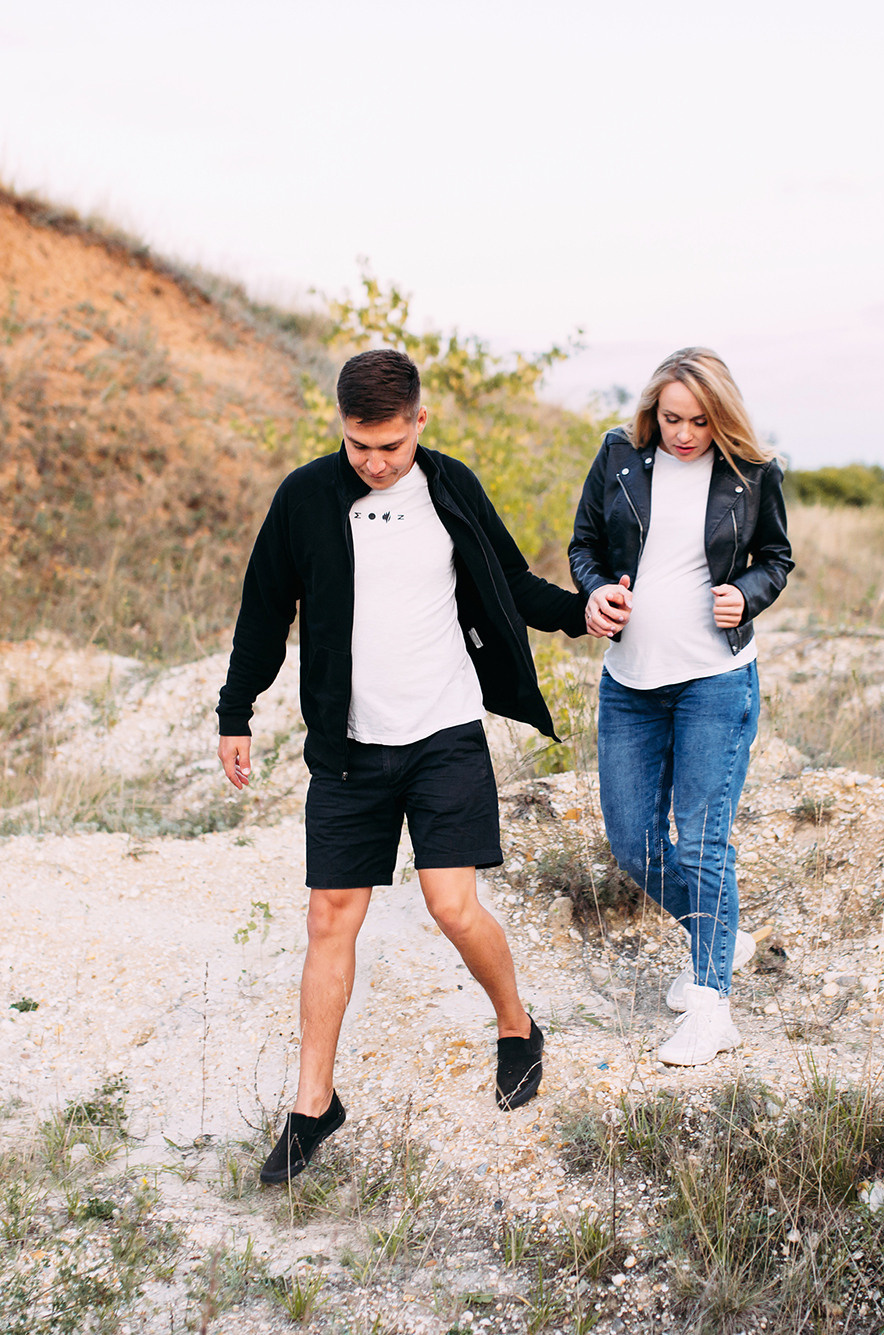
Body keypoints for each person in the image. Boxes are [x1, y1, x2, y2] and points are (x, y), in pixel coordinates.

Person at [217, 348, 589, 1184]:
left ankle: (516, 1025)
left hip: (443, 734)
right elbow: (264, 609)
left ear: (420, 420)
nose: (377, 462)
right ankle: (313, 1105)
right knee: (328, 918)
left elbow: (512, 582)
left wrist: (581, 614)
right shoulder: (306, 498)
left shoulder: (448, 484)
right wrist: (234, 711)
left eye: (391, 444)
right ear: (340, 427)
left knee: (452, 905)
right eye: (359, 445)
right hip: (349, 750)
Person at [567, 348, 793, 1067]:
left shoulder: (753, 472)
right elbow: (585, 547)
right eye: (672, 418)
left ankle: (710, 1005)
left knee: (701, 843)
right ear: (652, 411)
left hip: (714, 680)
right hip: (630, 684)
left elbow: (775, 558)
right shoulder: (619, 455)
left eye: (700, 420)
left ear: (720, 416)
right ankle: (718, 934)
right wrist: (596, 592)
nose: (685, 433)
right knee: (634, 843)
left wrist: (747, 594)